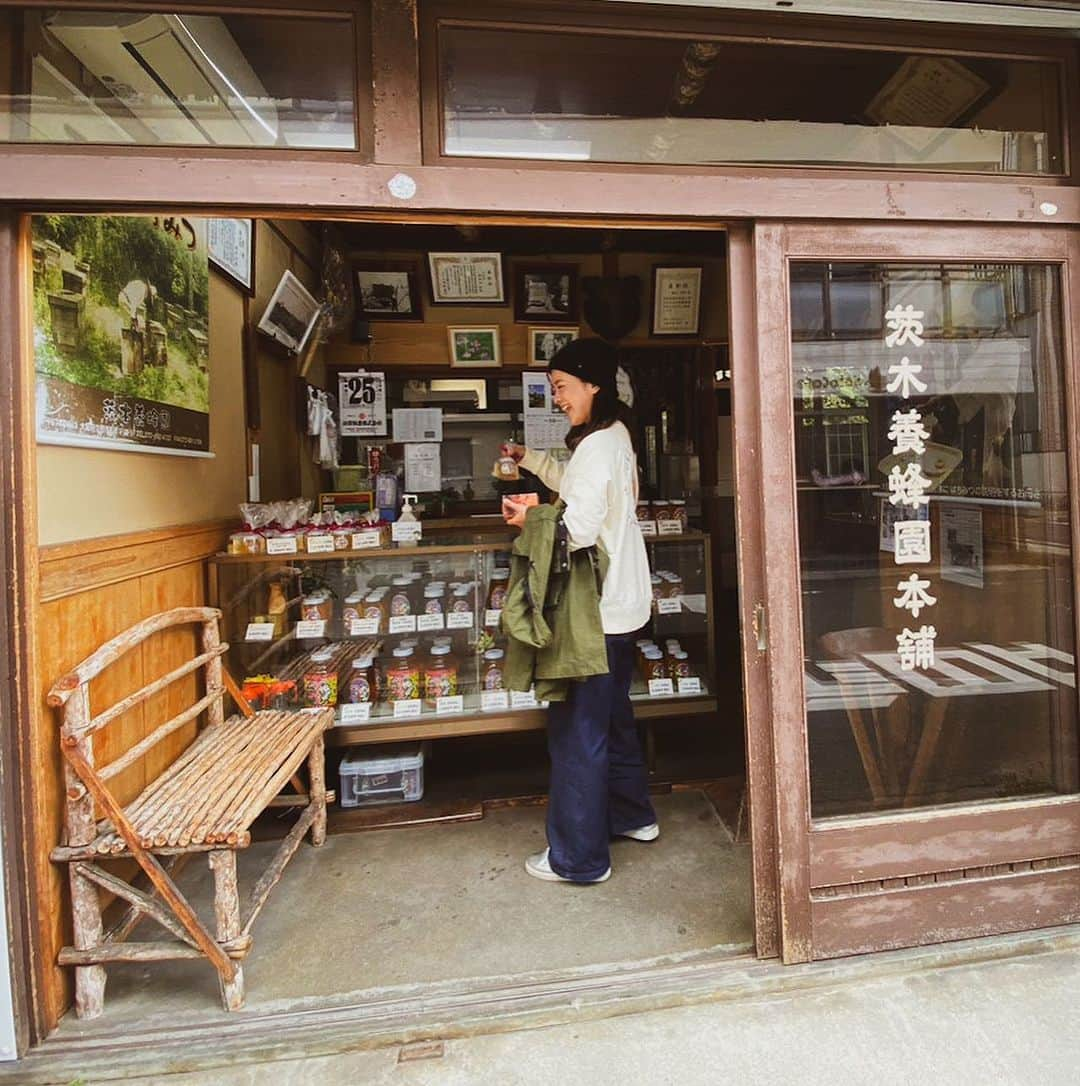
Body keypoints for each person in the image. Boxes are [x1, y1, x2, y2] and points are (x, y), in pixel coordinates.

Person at [502, 338, 657, 885]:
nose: (558, 398)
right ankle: (633, 815)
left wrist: (529, 520)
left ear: (593, 384)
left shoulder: (597, 446)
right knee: (613, 722)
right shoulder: (614, 438)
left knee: (576, 734)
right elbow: (579, 489)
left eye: (563, 387)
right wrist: (533, 465)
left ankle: (579, 859)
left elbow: (576, 529)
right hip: (624, 605)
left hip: (597, 610)